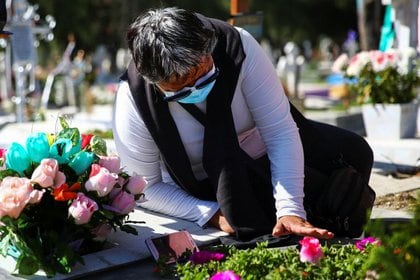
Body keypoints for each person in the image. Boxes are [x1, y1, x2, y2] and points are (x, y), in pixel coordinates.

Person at [113, 7, 373, 242]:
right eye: (179, 91)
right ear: (153, 82)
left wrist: (290, 209)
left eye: (202, 76)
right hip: (204, 180)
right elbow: (145, 187)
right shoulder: (134, 98)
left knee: (352, 153)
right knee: (252, 217)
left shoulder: (237, 47)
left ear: (208, 46)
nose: (194, 89)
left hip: (261, 146)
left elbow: (280, 130)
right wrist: (210, 214)